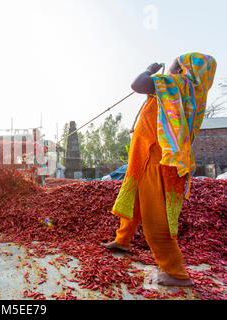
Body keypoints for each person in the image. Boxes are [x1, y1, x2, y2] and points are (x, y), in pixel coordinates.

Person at [101, 53, 217, 287]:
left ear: (186, 68)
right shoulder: (193, 94)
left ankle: (175, 272)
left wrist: (149, 70)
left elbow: (138, 84)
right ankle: (123, 239)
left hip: (159, 162)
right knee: (133, 199)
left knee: (157, 219)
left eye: (177, 62)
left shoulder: (178, 84)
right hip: (148, 157)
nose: (171, 64)